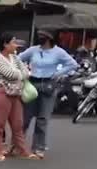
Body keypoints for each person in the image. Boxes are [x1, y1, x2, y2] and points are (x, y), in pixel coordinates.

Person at [19, 30, 77, 159]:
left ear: (50, 38)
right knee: (25, 118)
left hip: (48, 85)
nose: (40, 38)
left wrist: (58, 74)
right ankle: (18, 145)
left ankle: (38, 148)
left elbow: (73, 64)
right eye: (39, 36)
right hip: (32, 85)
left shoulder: (58, 52)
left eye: (43, 36)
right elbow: (18, 59)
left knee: (42, 119)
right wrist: (24, 70)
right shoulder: (33, 50)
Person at [0, 33, 35, 162]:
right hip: (2, 93)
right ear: (5, 44)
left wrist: (21, 73)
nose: (16, 45)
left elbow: (26, 73)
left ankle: (22, 150)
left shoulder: (15, 57)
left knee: (18, 124)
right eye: (13, 42)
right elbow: (12, 75)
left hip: (15, 93)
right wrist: (21, 73)